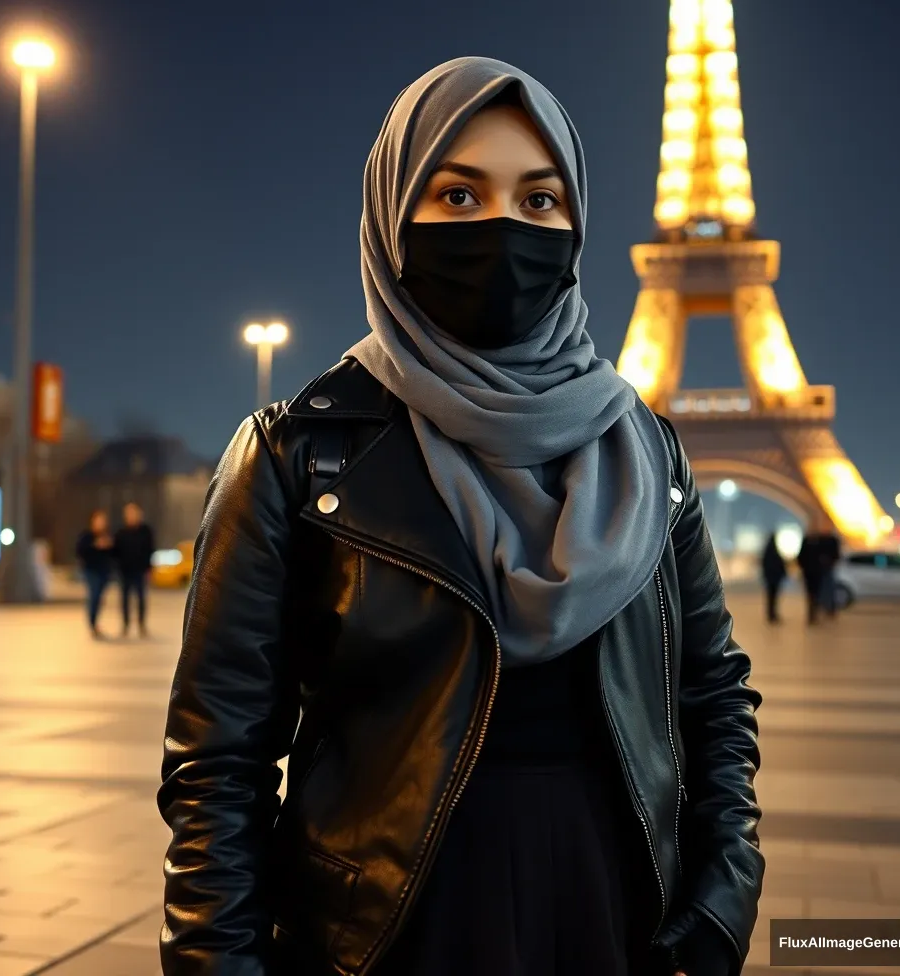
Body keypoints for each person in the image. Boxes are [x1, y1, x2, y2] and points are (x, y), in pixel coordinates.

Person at [158, 58, 762, 976]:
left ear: (576, 222)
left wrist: (722, 900)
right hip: (389, 923)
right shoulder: (296, 455)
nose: (504, 232)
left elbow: (712, 699)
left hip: (616, 904)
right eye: (457, 195)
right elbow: (217, 763)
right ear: (393, 217)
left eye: (540, 200)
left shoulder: (648, 450)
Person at [113, 502, 155, 637]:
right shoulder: (121, 532)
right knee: (125, 599)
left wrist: (149, 568)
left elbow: (150, 550)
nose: (132, 516)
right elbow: (115, 552)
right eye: (129, 513)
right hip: (125, 571)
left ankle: (141, 624)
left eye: (134, 513)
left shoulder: (146, 531)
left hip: (140, 570)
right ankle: (125, 624)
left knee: (141, 598)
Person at [75, 510, 113, 639]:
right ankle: (92, 624)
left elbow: (114, 555)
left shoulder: (107, 536)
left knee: (99, 598)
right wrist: (94, 546)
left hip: (104, 571)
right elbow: (80, 551)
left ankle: (95, 622)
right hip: (91, 571)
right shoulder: (87, 536)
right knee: (94, 595)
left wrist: (108, 546)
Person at [797, 516, 840, 625]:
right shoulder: (819, 541)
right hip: (815, 571)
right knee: (815, 593)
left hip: (815, 571)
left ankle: (817, 613)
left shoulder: (814, 541)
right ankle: (815, 613)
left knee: (816, 593)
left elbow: (801, 557)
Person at [760, 532, 787, 623]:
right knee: (773, 597)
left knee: (771, 597)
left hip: (770, 578)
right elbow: (780, 564)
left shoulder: (768, 551)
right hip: (774, 578)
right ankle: (772, 614)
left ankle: (771, 614)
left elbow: (764, 564)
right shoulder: (775, 552)